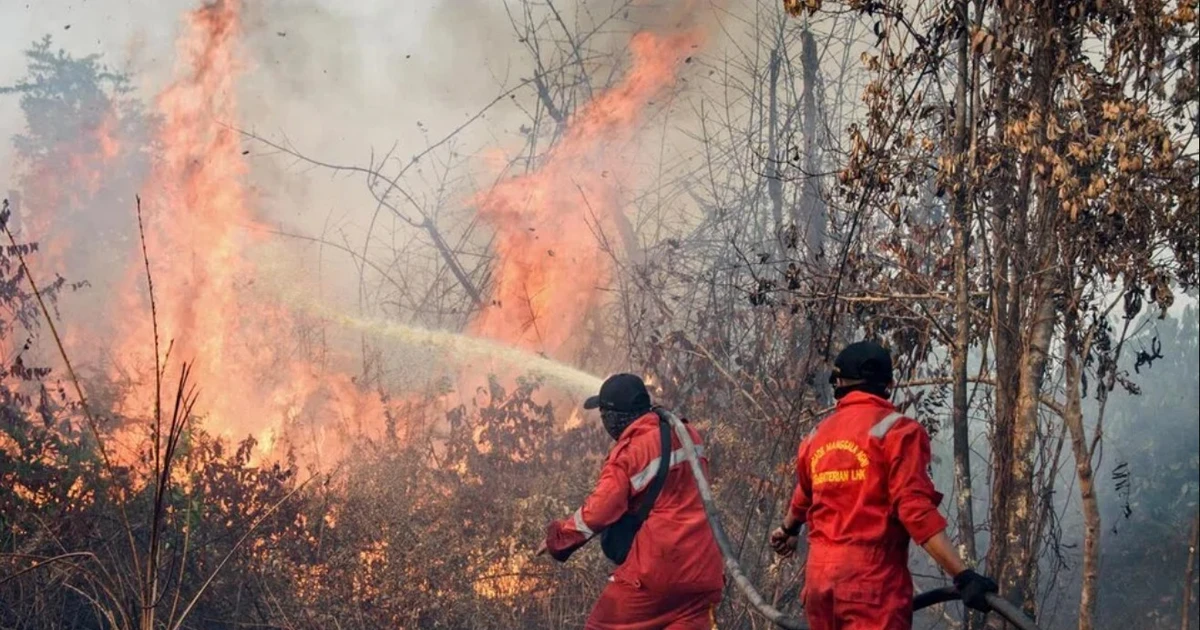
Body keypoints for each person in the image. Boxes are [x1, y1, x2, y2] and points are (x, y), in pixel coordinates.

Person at [769, 341, 999, 630]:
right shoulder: (899, 431)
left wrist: (789, 529)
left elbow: (805, 491)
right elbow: (915, 511)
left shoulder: (816, 436)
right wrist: (963, 575)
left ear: (838, 383)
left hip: (819, 584)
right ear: (888, 384)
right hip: (871, 587)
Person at [535, 373, 724, 630]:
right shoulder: (687, 433)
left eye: (604, 415)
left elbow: (600, 511)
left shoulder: (631, 452)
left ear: (614, 417)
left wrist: (559, 539)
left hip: (657, 572)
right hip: (704, 571)